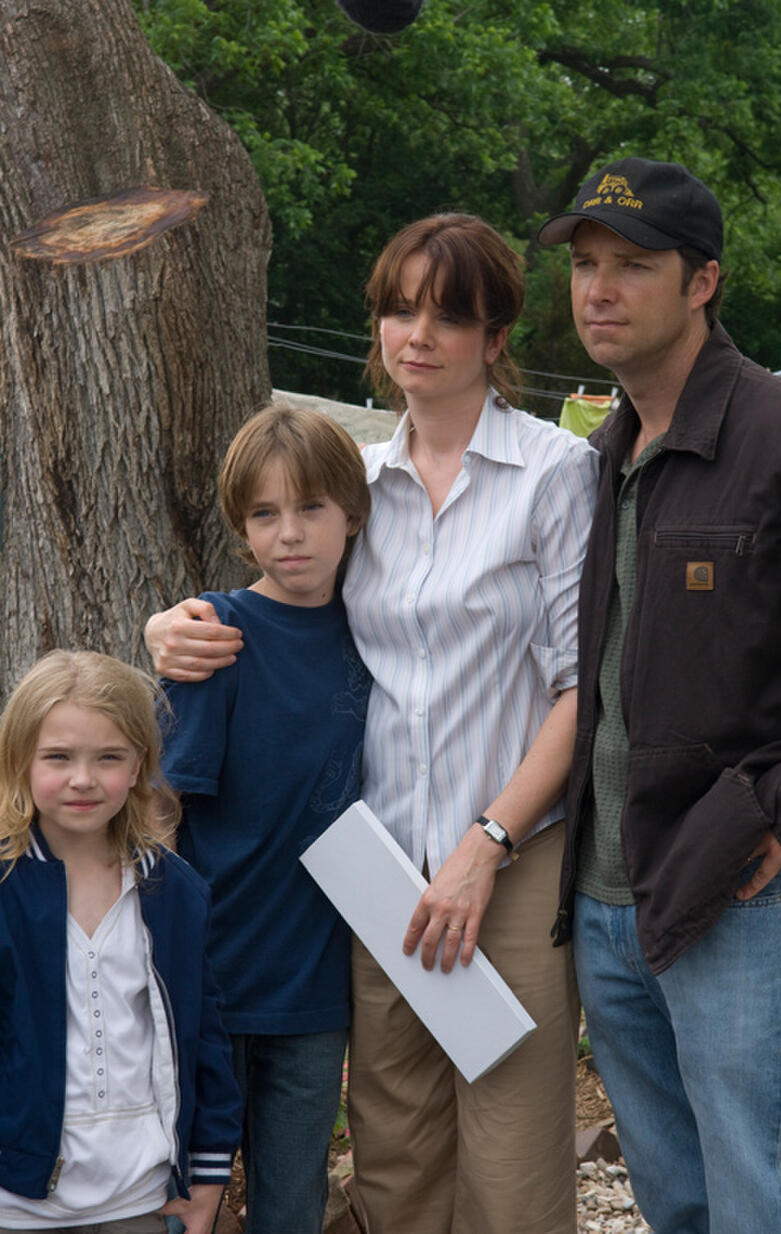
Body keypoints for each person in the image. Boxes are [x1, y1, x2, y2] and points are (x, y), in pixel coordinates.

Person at [146, 212, 599, 1234]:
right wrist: (171, 625)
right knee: (394, 1160)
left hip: (511, 858)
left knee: (513, 1169)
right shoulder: (358, 482)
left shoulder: (552, 474)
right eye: (399, 309)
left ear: (495, 335)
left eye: (448, 314)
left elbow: (583, 688)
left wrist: (488, 843)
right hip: (378, 871)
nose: (417, 334)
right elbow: (279, 592)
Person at [539, 156, 781, 1233]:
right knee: (679, 1204)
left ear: (702, 281)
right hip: (613, 905)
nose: (597, 290)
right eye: (584, 264)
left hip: (744, 902)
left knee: (771, 1204)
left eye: (632, 266)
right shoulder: (606, 450)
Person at [157, 405, 372, 1234]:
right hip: (209, 980)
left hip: (315, 991)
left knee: (291, 1204)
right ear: (241, 527)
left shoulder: (377, 633)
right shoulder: (216, 638)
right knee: (182, 1203)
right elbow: (165, 814)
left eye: (312, 507)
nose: (291, 534)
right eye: (265, 514)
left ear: (351, 514)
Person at [0, 650, 242, 1234]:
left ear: (138, 766)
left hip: (141, 1196)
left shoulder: (173, 890)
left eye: (109, 757)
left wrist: (208, 1180)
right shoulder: (6, 887)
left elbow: (203, 1038)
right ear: (20, 762)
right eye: (58, 757)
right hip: (17, 1198)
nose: (84, 779)